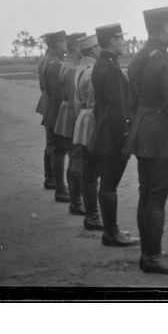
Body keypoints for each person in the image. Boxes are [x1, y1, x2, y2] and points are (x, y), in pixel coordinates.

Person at [126, 7, 168, 274]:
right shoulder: (166, 61)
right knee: (157, 196)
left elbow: (133, 99)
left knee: (146, 192)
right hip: (163, 133)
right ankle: (153, 257)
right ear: (164, 28)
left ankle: (147, 253)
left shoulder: (138, 58)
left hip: (143, 131)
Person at [88, 24, 140, 247]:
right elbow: (118, 111)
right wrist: (125, 138)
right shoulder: (110, 69)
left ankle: (111, 231)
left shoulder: (101, 65)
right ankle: (111, 233)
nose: (123, 42)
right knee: (109, 186)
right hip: (112, 137)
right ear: (112, 41)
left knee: (107, 185)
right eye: (120, 38)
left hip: (102, 133)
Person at [72, 33, 103, 231]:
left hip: (82, 118)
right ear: (93, 49)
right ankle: (94, 215)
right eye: (100, 47)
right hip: (93, 120)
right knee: (94, 172)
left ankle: (91, 213)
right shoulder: (93, 71)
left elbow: (76, 102)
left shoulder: (79, 68)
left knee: (87, 169)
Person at [54, 32, 87, 214]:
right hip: (71, 117)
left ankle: (75, 200)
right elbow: (75, 100)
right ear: (76, 47)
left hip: (66, 114)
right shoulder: (72, 68)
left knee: (74, 159)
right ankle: (76, 202)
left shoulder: (67, 65)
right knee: (77, 159)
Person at [41, 30, 71, 203]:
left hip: (49, 106)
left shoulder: (47, 60)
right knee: (59, 150)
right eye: (64, 41)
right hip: (56, 109)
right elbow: (58, 93)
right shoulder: (56, 63)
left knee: (52, 146)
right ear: (58, 43)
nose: (66, 44)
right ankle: (60, 189)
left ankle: (51, 179)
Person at [36, 33, 55, 190]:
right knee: (53, 144)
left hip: (46, 101)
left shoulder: (44, 58)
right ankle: (50, 179)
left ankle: (50, 178)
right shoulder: (51, 61)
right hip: (50, 103)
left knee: (50, 143)